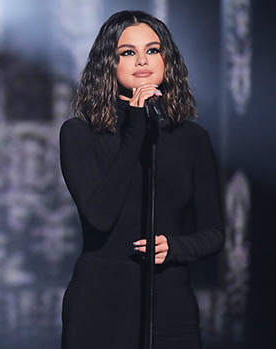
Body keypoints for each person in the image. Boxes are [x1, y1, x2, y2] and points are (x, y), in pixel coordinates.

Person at [59, 10, 224, 348]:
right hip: (101, 303)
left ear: (167, 59)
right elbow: (100, 216)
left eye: (152, 50)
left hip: (170, 303)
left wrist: (175, 247)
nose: (142, 61)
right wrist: (135, 125)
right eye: (128, 52)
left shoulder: (192, 138)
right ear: (110, 63)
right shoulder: (80, 133)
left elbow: (214, 233)